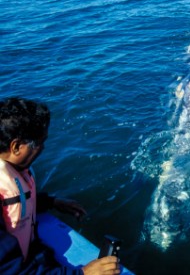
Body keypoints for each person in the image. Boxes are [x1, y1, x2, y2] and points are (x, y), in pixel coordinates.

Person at [0, 97, 120, 274]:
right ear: (16, 146)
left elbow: (13, 210)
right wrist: (84, 273)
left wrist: (50, 202)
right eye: (41, 143)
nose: (43, 148)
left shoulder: (13, 167)